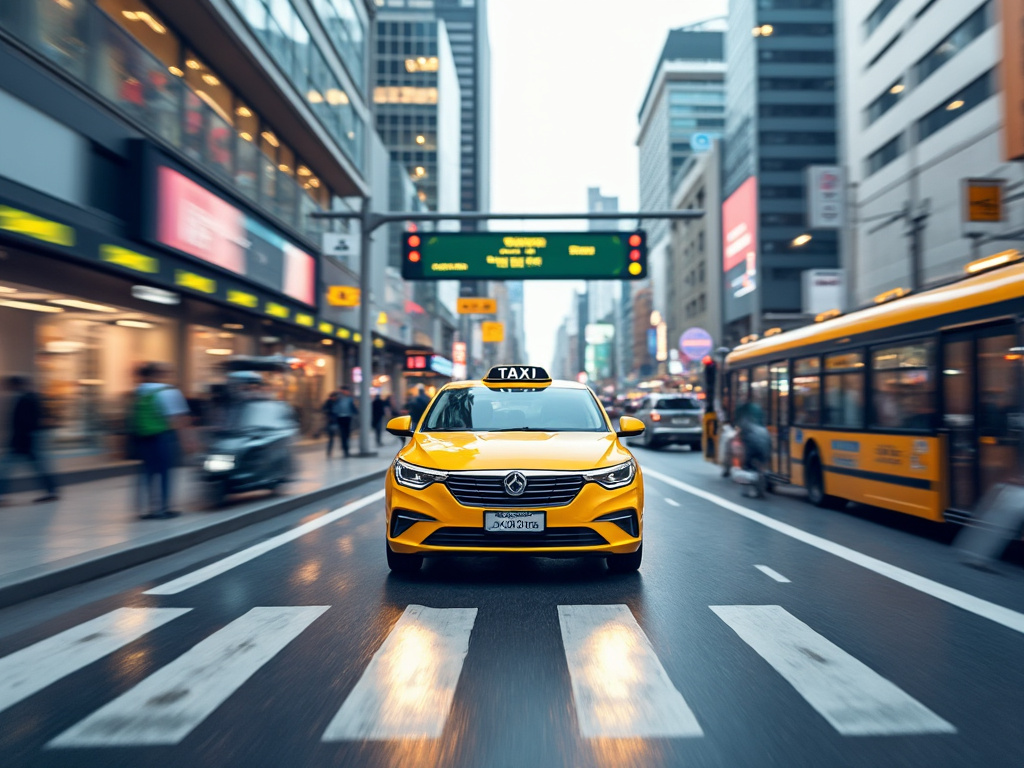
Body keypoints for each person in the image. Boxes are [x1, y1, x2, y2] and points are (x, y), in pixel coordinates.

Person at [131, 362, 193, 520]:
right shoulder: (168, 391)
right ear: (160, 374)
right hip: (163, 436)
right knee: (165, 473)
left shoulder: (140, 390)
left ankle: (147, 509)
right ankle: (164, 508)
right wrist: (187, 441)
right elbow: (178, 419)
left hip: (144, 437)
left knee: (148, 472)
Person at [0, 376, 59, 504]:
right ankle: (52, 491)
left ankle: (52, 491)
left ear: (15, 385)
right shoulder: (29, 397)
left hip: (25, 442)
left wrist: (20, 441)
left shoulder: (26, 399)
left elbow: (26, 423)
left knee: (5, 468)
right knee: (39, 467)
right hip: (25, 441)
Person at [332, 385, 358, 457]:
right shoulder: (338, 398)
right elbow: (335, 408)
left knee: (347, 434)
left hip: (347, 417)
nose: (348, 392)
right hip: (340, 418)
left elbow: (352, 407)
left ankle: (346, 448)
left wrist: (355, 412)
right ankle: (345, 449)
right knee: (343, 434)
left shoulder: (349, 398)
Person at [322, 390, 340, 457]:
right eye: (335, 396)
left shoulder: (337, 402)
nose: (336, 398)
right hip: (331, 422)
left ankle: (343, 448)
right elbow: (324, 409)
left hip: (338, 421)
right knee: (331, 438)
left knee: (341, 436)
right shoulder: (328, 402)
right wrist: (328, 413)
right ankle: (329, 451)